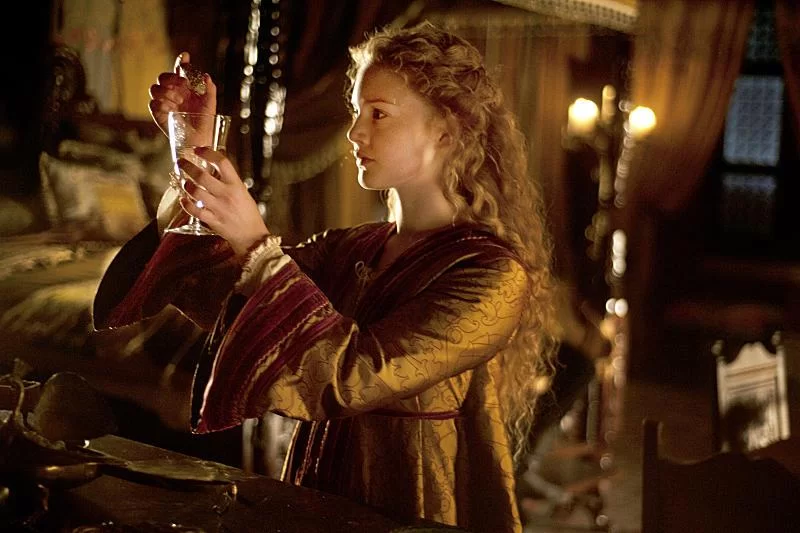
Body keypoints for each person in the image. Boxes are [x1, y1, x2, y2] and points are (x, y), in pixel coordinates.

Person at [95, 21, 558, 533]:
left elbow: (349, 376)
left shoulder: (491, 274)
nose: (355, 132)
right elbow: (223, 291)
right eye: (357, 113)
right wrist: (194, 148)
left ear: (446, 130)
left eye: (379, 114)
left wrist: (257, 244)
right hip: (318, 489)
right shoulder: (351, 247)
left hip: (409, 502)